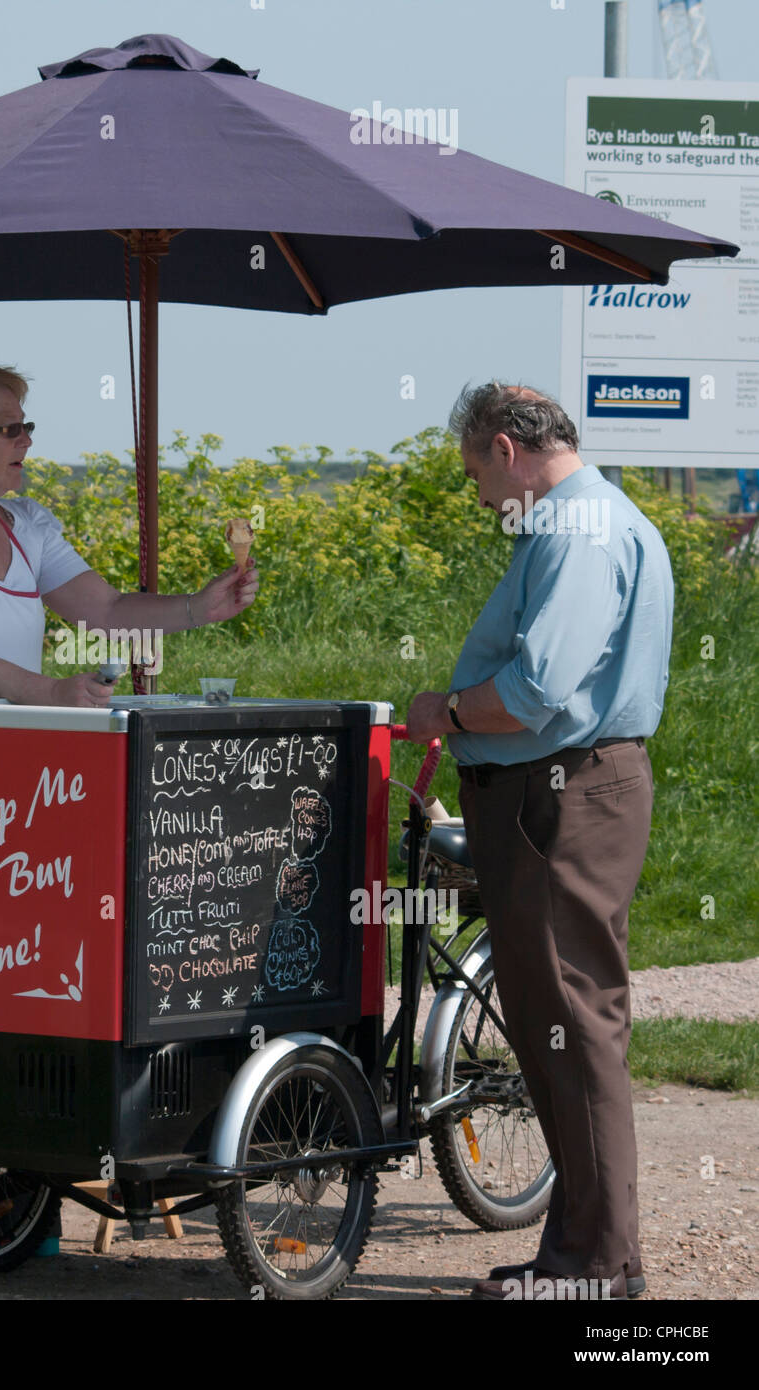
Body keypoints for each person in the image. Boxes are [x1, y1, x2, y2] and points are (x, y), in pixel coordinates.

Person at [0, 358, 259, 1190]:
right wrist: (55, 694)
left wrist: (197, 606)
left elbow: (106, 609)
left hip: (25, 776)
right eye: (7, 426)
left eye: (26, 424)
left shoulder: (27, 522)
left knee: (19, 965)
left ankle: (15, 1173)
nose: (25, 440)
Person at [403, 382, 673, 1302]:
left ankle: (596, 1266)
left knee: (571, 1024)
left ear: (508, 450)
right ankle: (583, 1252)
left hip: (560, 795)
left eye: (478, 471)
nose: (480, 495)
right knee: (564, 1024)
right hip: (568, 790)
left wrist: (443, 712)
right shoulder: (597, 519)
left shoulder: (574, 531)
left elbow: (533, 693)